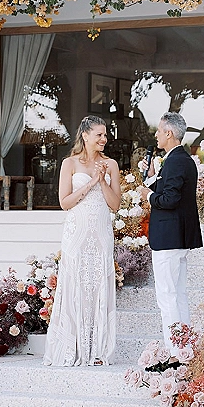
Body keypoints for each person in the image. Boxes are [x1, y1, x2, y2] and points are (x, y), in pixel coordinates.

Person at [44, 115, 121, 367]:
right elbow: (65, 203)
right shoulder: (70, 163)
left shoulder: (111, 164)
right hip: (76, 231)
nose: (104, 138)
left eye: (105, 134)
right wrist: (91, 183)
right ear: (85, 135)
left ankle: (98, 349)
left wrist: (102, 181)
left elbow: (115, 205)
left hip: (100, 231)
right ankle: (72, 347)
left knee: (98, 283)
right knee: (75, 282)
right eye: (99, 134)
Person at [138, 112, 202, 356]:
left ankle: (175, 352)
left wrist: (149, 197)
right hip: (177, 238)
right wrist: (154, 176)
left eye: (159, 131)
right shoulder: (180, 159)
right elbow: (169, 190)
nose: (156, 135)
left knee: (167, 297)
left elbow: (170, 199)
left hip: (169, 238)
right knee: (179, 295)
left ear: (169, 133)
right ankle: (185, 349)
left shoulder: (176, 161)